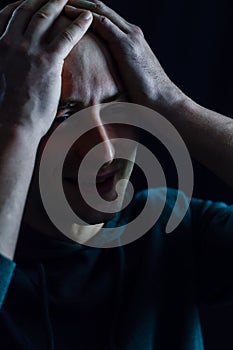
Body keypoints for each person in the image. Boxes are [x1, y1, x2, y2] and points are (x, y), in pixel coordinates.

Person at [0, 0, 232, 349]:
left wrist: (171, 101)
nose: (104, 151)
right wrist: (20, 122)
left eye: (116, 106)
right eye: (60, 115)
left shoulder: (170, 228)